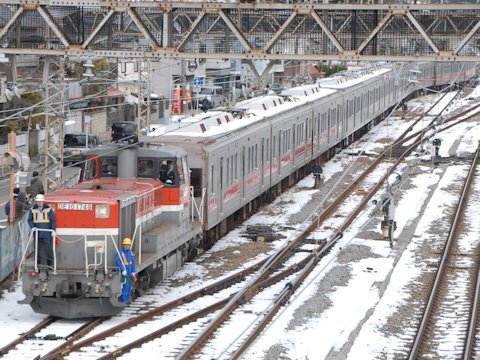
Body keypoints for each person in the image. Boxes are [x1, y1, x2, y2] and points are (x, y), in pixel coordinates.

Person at [27, 194, 56, 267]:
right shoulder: (32, 209)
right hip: (37, 233)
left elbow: (53, 220)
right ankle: (38, 265)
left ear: (43, 202)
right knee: (37, 250)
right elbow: (30, 220)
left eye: (40, 201)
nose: (39, 203)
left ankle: (50, 265)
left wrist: (53, 230)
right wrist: (32, 227)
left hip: (47, 233)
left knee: (48, 250)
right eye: (38, 201)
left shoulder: (49, 209)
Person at [115, 237, 137, 304]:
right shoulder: (120, 252)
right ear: (123, 245)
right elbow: (118, 262)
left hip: (130, 271)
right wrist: (123, 269)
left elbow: (133, 262)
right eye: (125, 244)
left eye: (128, 245)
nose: (126, 246)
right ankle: (124, 301)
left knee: (129, 286)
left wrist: (133, 271)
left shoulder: (130, 252)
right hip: (124, 272)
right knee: (124, 287)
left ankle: (127, 300)